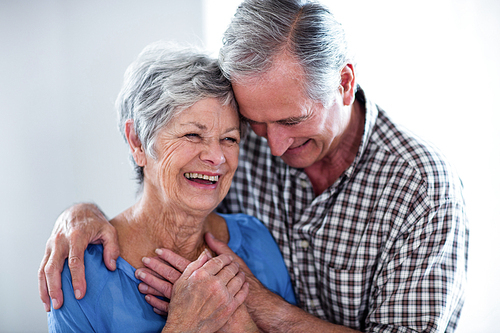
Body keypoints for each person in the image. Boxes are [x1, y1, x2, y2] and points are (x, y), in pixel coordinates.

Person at [39, 0, 469, 332]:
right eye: (254, 126)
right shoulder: (83, 278)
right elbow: (169, 169)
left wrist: (253, 306)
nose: (275, 146)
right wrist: (79, 213)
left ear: (343, 84)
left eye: (291, 121)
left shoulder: (421, 187)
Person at [45, 41, 296, 332]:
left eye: (229, 139)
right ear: (137, 141)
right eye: (192, 134)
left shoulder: (257, 241)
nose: (216, 157)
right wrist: (183, 325)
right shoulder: (79, 272)